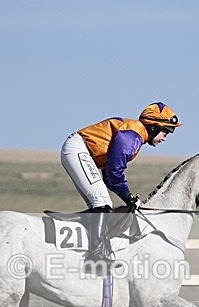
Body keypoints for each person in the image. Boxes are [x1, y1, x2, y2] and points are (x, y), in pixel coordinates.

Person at [60, 102, 182, 268]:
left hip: (84, 152)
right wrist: (128, 196)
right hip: (79, 149)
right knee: (102, 202)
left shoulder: (135, 135)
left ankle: (90, 249)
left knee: (101, 204)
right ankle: (95, 256)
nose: (165, 137)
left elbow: (110, 178)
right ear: (153, 127)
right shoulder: (132, 137)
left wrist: (127, 198)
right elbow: (114, 173)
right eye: (166, 131)